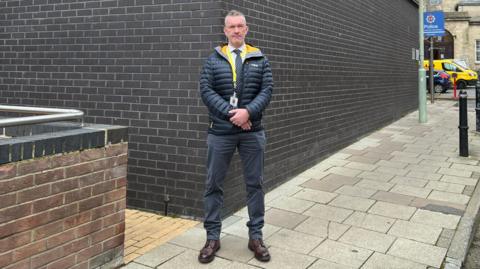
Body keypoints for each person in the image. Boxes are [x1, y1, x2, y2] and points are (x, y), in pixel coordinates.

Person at [198, 10, 273, 264]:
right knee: (213, 184)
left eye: (240, 26)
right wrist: (234, 114)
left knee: (255, 184)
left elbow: (267, 90)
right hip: (220, 132)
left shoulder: (259, 58)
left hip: (253, 132)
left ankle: (256, 237)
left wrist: (249, 112)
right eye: (232, 27)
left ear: (247, 29)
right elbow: (206, 90)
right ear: (225, 31)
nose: (237, 31)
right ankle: (212, 237)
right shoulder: (214, 59)